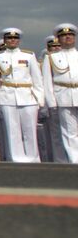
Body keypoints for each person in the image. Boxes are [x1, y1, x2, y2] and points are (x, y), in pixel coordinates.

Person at [0, 27, 45, 163]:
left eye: (15, 38)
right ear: (4, 41)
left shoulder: (28, 56)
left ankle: (33, 159)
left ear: (19, 40)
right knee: (12, 131)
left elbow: (37, 79)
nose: (12, 40)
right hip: (7, 97)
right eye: (9, 38)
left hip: (28, 96)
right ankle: (16, 159)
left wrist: (39, 99)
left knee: (30, 131)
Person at [44, 23, 77, 163]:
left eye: (70, 35)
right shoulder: (51, 58)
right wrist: (51, 102)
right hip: (63, 96)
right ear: (58, 39)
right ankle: (75, 161)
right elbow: (47, 82)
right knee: (69, 132)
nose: (67, 37)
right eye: (63, 36)